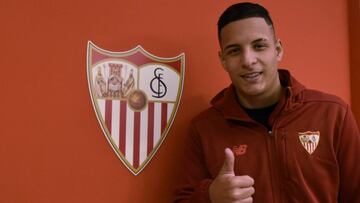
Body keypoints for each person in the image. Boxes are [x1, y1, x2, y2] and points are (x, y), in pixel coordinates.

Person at [174, 2, 360, 203]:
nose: (248, 60)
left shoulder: (333, 114)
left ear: (278, 50)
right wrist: (210, 196)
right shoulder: (204, 129)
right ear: (223, 60)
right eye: (234, 51)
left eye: (259, 46)